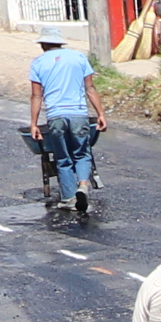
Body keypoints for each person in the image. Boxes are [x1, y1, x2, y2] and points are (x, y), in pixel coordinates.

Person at [29, 30, 101, 225]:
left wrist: (34, 123)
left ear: (43, 45)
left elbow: (36, 96)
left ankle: (69, 199)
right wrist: (100, 113)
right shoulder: (79, 58)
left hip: (56, 116)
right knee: (82, 153)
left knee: (63, 158)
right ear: (60, 44)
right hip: (78, 114)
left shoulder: (38, 63)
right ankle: (83, 185)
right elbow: (90, 88)